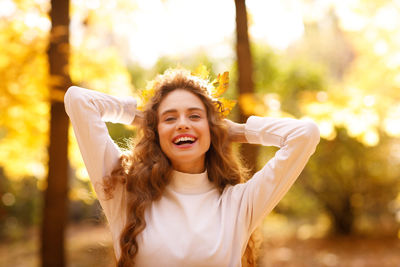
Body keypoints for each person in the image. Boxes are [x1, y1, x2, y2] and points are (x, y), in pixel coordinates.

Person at [64, 68, 320, 267]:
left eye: (195, 116)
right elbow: (79, 100)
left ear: (212, 129)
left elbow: (305, 134)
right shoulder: (125, 191)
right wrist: (143, 117)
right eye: (170, 118)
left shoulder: (239, 203)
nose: (182, 124)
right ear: (156, 132)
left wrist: (238, 131)